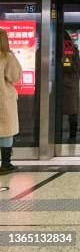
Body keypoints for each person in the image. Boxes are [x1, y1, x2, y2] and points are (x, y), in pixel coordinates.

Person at [0, 28, 23, 174]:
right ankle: (6, 163)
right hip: (3, 99)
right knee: (5, 131)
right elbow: (15, 76)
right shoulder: (6, 57)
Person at [61, 31, 80, 142]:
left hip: (68, 85)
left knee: (72, 112)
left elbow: (74, 67)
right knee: (54, 111)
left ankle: (72, 136)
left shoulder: (71, 49)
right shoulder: (50, 46)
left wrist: (64, 61)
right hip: (58, 85)